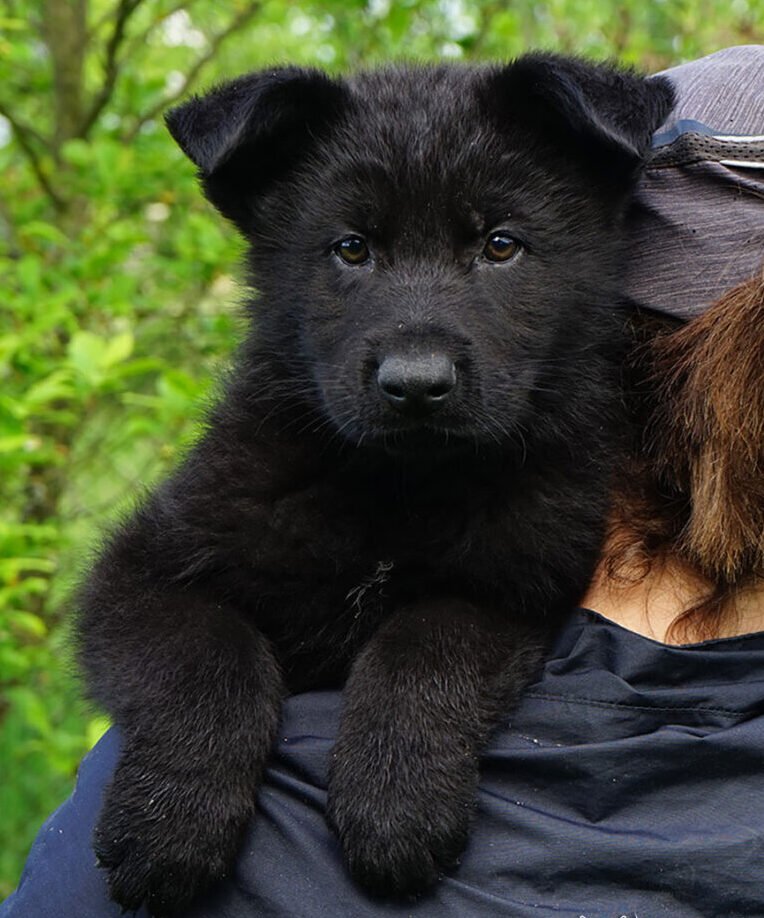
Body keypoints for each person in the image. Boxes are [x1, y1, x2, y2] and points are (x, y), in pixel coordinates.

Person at [2, 45, 764, 918]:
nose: (415, 358)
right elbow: (136, 593)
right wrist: (202, 723)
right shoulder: (258, 468)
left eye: (499, 245)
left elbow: (506, 605)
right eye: (352, 250)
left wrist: (420, 701)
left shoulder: (559, 487)